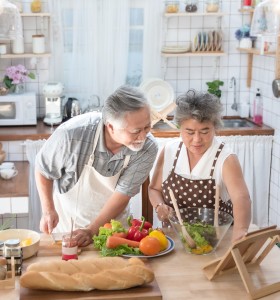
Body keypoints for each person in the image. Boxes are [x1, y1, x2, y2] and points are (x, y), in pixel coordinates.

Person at [35, 85, 158, 246]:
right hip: (67, 229)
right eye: (136, 131)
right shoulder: (72, 135)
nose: (143, 136)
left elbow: (123, 194)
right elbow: (44, 169)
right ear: (111, 126)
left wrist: (91, 230)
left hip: (113, 232)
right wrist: (48, 210)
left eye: (147, 127)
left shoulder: (148, 148)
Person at [148, 89, 251, 243]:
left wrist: (240, 232)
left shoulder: (225, 158)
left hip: (217, 240)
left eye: (204, 131)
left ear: (214, 127)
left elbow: (241, 198)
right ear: (179, 128)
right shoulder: (169, 151)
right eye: (189, 132)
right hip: (176, 239)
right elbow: (154, 189)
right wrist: (159, 206)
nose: (197, 140)